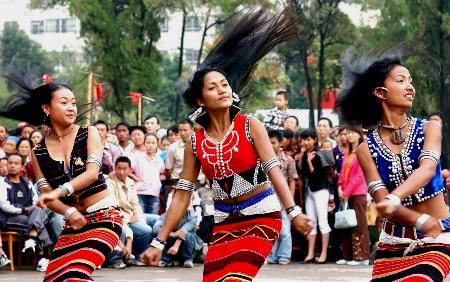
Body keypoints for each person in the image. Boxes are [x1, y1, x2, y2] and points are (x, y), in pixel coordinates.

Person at [140, 8, 312, 281]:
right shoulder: (194, 142)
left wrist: (293, 212)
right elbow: (183, 195)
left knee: (234, 279)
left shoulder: (249, 125)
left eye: (225, 84)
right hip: (223, 222)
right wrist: (158, 242)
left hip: (262, 217)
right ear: (200, 100)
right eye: (213, 87)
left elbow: (274, 170)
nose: (222, 89)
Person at [336, 46, 448, 281]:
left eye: (410, 81)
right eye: (401, 80)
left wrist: (394, 199)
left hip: (436, 237)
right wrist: (417, 218)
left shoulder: (430, 128)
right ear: (380, 92)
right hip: (392, 243)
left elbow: (427, 170)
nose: (410, 87)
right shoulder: (365, 149)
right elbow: (381, 203)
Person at [0, 70, 123, 281]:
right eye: (64, 102)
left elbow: (92, 174)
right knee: (53, 279)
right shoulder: (37, 152)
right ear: (46, 108)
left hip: (105, 218)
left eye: (73, 103)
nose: (71, 108)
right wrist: (67, 212)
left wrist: (59, 192)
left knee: (75, 276)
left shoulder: (89, 133)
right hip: (74, 224)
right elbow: (46, 193)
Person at [0, 154, 52, 254]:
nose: (12, 166)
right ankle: (43, 254)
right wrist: (23, 210)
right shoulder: (2, 182)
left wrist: (30, 209)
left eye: (16, 163)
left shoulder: (27, 183)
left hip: (28, 215)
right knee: (39, 221)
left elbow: (35, 203)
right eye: (10, 163)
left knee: (38, 212)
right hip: (8, 218)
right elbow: (4, 205)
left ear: (22, 167)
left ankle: (32, 239)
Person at [336, 125, 370, 266]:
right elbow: (343, 173)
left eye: (352, 132)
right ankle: (347, 256)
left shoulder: (363, 151)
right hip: (345, 193)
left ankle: (362, 257)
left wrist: (346, 191)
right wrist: (339, 187)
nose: (349, 135)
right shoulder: (348, 153)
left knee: (359, 225)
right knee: (345, 224)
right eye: (348, 132)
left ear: (359, 135)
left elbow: (359, 175)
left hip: (357, 193)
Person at [298, 128, 332, 264]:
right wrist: (303, 156)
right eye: (304, 139)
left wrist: (310, 162)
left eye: (308, 139)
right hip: (310, 191)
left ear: (314, 140)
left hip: (321, 190)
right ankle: (310, 254)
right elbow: (301, 170)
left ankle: (323, 254)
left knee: (323, 222)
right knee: (311, 223)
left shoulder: (319, 154)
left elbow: (316, 175)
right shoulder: (305, 153)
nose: (306, 142)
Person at [267, 130, 298, 265]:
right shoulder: (263, 159)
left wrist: (289, 199)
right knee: (270, 229)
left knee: (285, 230)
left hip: (283, 201)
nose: (270, 145)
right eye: (268, 142)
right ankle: (272, 256)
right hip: (267, 200)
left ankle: (284, 255)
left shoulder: (288, 160)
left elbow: (292, 179)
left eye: (273, 142)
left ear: (280, 144)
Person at [133, 133, 165, 214]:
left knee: (153, 215)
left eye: (153, 143)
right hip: (140, 191)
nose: (150, 145)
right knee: (141, 215)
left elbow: (162, 173)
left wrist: (158, 181)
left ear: (157, 144)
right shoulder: (138, 158)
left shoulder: (159, 159)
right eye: (148, 143)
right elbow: (129, 171)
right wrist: (137, 179)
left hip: (154, 192)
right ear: (144, 144)